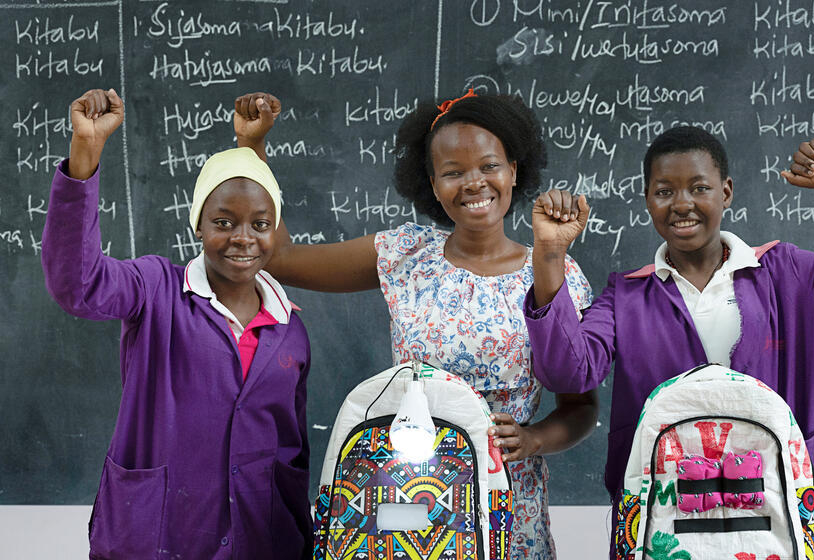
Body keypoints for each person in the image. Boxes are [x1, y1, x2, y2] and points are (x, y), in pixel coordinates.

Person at [523, 127, 814, 560]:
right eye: (664, 191)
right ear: (646, 200)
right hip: (663, 511)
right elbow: (567, 371)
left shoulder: (783, 271)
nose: (682, 204)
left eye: (700, 188)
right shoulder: (626, 295)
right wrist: (549, 255)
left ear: (727, 192)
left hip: (777, 497)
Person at [233, 90, 599, 558]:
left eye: (489, 166)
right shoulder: (405, 255)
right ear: (431, 182)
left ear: (512, 169)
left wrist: (534, 439)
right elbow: (281, 258)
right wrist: (253, 147)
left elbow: (582, 405)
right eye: (453, 172)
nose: (473, 183)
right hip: (414, 499)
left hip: (512, 504)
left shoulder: (554, 269)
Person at [42, 89, 312, 559]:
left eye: (261, 224)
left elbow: (291, 451)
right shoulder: (156, 290)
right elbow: (78, 285)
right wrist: (85, 153)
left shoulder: (290, 328)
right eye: (223, 222)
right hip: (157, 537)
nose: (243, 238)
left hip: (261, 540)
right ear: (198, 226)